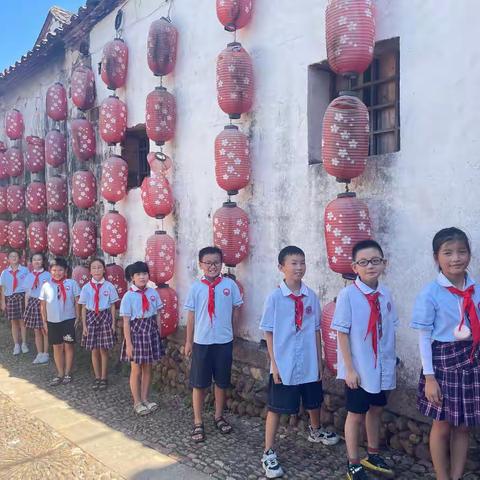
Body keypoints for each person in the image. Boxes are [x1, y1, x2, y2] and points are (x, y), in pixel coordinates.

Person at [259, 245, 339, 479]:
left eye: (302, 262)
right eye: (293, 263)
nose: (299, 267)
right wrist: (274, 364)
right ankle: (268, 451)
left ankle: (315, 430)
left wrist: (320, 358)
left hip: (308, 361)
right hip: (284, 363)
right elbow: (269, 333)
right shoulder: (274, 298)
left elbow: (315, 330)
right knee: (276, 407)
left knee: (314, 400)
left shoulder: (310, 296)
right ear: (281, 267)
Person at [410, 227, 480, 480]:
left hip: (471, 360)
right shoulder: (431, 293)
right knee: (441, 425)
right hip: (443, 362)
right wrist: (430, 378)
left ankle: (457, 476)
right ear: (436, 257)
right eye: (448, 252)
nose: (456, 258)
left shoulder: (476, 289)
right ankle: (442, 476)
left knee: (463, 426)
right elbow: (424, 336)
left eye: (462, 251)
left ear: (469, 254)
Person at [332, 239, 398, 480]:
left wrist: (392, 360)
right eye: (364, 262)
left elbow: (391, 328)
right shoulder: (348, 295)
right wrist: (349, 369)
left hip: (382, 367)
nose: (370, 266)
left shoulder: (386, 294)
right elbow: (342, 333)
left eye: (375, 260)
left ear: (384, 263)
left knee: (377, 409)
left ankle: (372, 453)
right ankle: (352, 462)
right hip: (359, 368)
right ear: (354, 267)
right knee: (356, 413)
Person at [184, 246, 243, 443]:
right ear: (201, 265)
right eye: (208, 263)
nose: (212, 266)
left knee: (221, 382)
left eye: (216, 262)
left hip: (223, 341)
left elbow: (236, 310)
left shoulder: (230, 285)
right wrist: (188, 341)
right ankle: (198, 420)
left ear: (221, 264)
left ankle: (218, 416)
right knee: (199, 383)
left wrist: (233, 333)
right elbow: (191, 316)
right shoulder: (196, 288)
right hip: (202, 341)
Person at [120, 261, 163, 416]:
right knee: (136, 369)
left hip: (150, 332)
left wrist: (158, 333)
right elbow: (125, 321)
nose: (142, 277)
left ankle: (145, 398)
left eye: (144, 273)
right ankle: (137, 401)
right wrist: (129, 344)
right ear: (132, 278)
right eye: (138, 274)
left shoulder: (153, 293)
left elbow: (157, 313)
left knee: (148, 368)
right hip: (136, 334)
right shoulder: (128, 296)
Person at [39, 257, 81, 386]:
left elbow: (77, 301)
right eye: (54, 270)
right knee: (57, 347)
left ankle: (68, 372)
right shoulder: (46, 285)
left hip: (68, 319)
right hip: (52, 321)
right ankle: (60, 373)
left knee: (68, 346)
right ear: (50, 271)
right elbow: (42, 305)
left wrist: (78, 317)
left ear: (66, 271)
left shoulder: (71, 283)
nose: (57, 272)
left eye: (60, 270)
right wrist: (44, 322)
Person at [79, 258, 119, 390]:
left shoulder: (109, 286)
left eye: (99, 267)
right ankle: (97, 377)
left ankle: (104, 377)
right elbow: (84, 307)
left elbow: (113, 306)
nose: (97, 270)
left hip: (105, 316)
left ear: (104, 270)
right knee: (94, 349)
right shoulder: (86, 288)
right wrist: (84, 325)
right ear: (90, 271)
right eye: (94, 268)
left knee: (103, 349)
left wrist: (113, 323)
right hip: (91, 317)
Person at [0, 250, 30, 355]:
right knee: (14, 323)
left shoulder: (25, 270)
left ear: (19, 258)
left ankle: (24, 343)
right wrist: (3, 302)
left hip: (21, 297)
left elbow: (28, 286)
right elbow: (3, 288)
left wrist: (27, 300)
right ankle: (16, 344)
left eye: (16, 256)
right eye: (11, 256)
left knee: (22, 322)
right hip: (10, 298)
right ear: (8, 259)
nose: (14, 258)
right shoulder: (4, 272)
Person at [24, 253, 51, 364]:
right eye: (34, 260)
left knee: (44, 329)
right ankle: (39, 353)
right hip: (33, 303)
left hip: (44, 303)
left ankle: (46, 353)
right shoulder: (29, 276)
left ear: (43, 261)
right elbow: (27, 293)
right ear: (31, 262)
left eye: (39, 259)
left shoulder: (48, 275)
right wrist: (26, 308)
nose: (36, 262)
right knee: (36, 330)